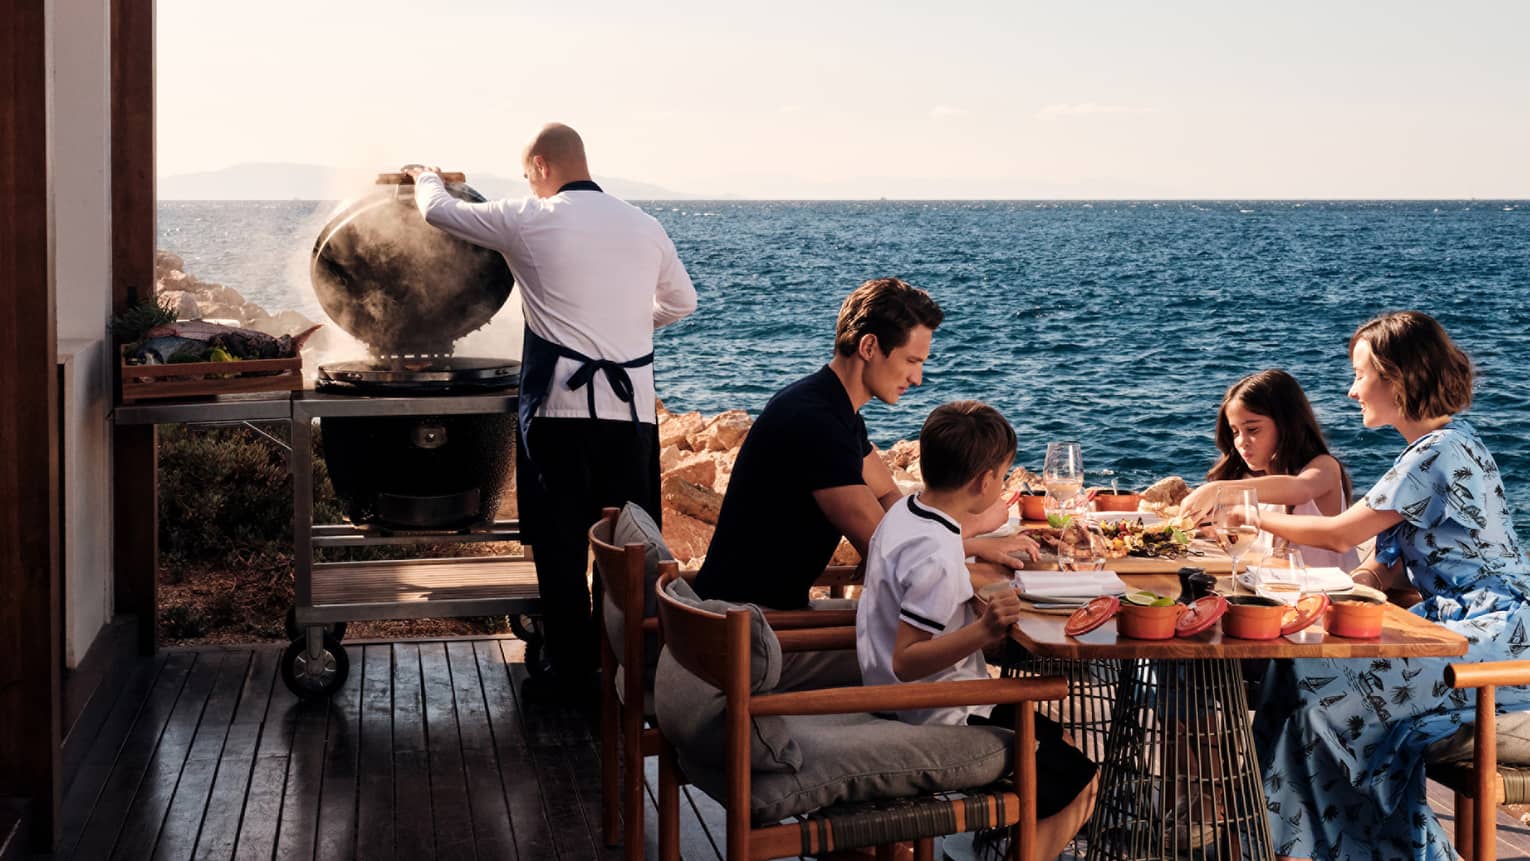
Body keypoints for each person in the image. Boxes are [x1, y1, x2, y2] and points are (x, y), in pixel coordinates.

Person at [406, 124, 697, 701]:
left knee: (562, 547)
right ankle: (630, 676)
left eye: (525, 174)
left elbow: (438, 212)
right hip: (631, 414)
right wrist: (628, 329)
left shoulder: (531, 217)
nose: (527, 184)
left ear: (540, 165)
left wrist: (425, 176)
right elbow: (682, 302)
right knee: (627, 548)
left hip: (561, 414)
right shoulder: (645, 225)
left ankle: (572, 676)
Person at [1242, 311, 1530, 860]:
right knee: (1295, 669)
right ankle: (1298, 844)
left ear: (1397, 378)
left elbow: (1339, 532)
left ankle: (1383, 850)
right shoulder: (1447, 445)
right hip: (1466, 621)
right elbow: (1400, 557)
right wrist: (1368, 578)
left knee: (1324, 688)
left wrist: (1249, 513)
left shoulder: (1438, 451)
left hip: (1501, 635)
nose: (1352, 391)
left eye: (1360, 374)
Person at [694, 278, 1037, 614]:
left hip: (767, 614)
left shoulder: (830, 408)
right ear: (869, 347)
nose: (917, 379)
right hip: (744, 631)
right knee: (959, 634)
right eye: (911, 361)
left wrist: (933, 533)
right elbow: (892, 556)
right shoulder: (816, 423)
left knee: (942, 625)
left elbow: (889, 499)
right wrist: (977, 532)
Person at [855, 400, 1097, 859]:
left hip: (888, 696)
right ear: (985, 481)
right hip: (935, 714)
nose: (1004, 483)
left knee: (1058, 742)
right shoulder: (938, 558)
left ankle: (1005, 835)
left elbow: (929, 555)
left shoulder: (906, 513)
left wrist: (979, 548)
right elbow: (906, 661)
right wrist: (984, 633)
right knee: (1083, 781)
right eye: (1004, 475)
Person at [1179, 369, 1361, 572]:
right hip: (1274, 590)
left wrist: (1217, 490)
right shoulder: (1250, 481)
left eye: (1253, 429)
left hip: (1326, 595)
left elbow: (1300, 489)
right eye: (1235, 432)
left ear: (1287, 424)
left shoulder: (1324, 467)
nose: (1241, 442)